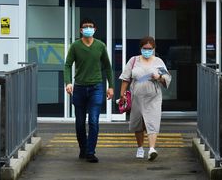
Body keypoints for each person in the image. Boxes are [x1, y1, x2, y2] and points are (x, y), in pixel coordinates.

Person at [64, 18, 114, 163]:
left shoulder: (100, 46)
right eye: (85, 27)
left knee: (93, 121)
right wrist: (68, 83)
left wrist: (110, 86)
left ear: (95, 29)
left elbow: (107, 67)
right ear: (80, 30)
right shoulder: (75, 46)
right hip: (79, 87)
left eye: (90, 26)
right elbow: (67, 65)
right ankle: (83, 149)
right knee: (80, 123)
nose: (88, 29)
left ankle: (90, 152)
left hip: (96, 88)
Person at [119, 36, 171, 161]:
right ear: (140, 48)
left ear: (154, 49)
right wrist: (122, 93)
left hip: (153, 97)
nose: (147, 50)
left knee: (152, 121)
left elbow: (166, 80)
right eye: (144, 48)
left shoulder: (158, 62)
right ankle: (140, 147)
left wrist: (159, 77)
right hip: (137, 97)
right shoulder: (133, 60)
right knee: (138, 123)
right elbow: (126, 78)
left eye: (150, 48)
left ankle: (152, 149)